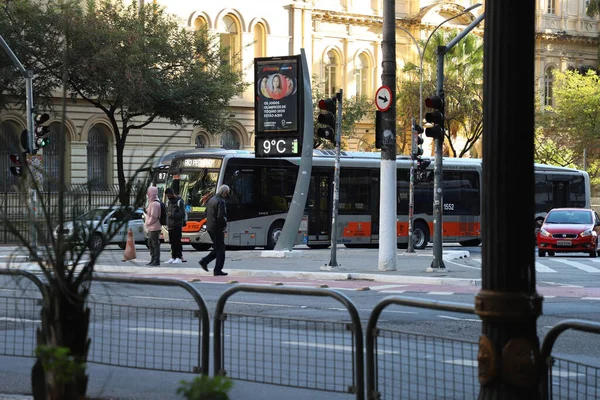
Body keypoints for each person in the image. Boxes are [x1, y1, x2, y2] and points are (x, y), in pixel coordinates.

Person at [199, 184, 230, 276]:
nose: (227, 194)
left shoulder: (211, 200)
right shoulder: (221, 201)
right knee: (221, 249)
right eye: (227, 193)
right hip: (217, 228)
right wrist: (224, 225)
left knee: (217, 248)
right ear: (224, 192)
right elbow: (221, 216)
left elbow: (206, 213)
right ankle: (217, 269)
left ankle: (205, 262)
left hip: (210, 227)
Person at [165, 187, 185, 264]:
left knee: (177, 242)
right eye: (167, 197)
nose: (168, 198)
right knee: (172, 242)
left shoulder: (180, 201)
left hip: (177, 225)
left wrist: (172, 215)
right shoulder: (168, 202)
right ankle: (173, 257)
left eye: (169, 196)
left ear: (172, 194)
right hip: (170, 225)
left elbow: (182, 214)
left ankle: (179, 257)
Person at [144, 186, 162, 266]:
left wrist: (147, 223)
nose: (148, 194)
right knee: (151, 243)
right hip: (152, 227)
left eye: (149, 193)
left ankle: (156, 260)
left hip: (154, 227)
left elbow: (154, 216)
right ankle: (153, 259)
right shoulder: (152, 202)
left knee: (154, 244)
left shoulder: (155, 204)